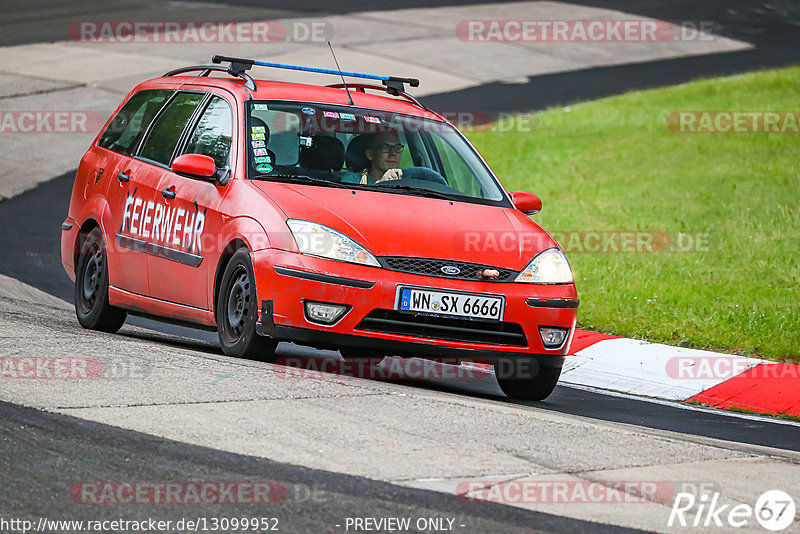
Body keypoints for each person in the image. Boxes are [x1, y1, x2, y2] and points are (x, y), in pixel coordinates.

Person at [340, 132, 405, 185]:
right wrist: (381, 185)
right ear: (370, 154)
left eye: (397, 147)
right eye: (385, 147)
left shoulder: (408, 182)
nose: (393, 153)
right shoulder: (352, 180)